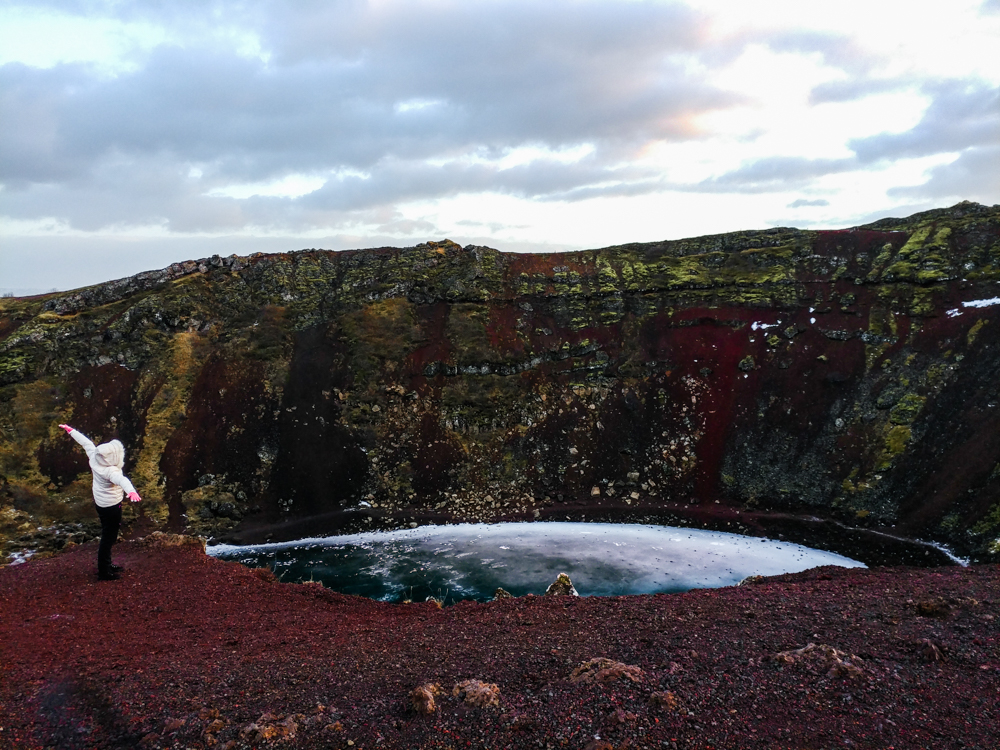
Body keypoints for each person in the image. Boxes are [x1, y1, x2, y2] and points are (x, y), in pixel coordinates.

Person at [59, 424, 141, 581]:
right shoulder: (110, 471)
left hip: (100, 502)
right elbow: (122, 480)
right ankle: (104, 571)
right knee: (108, 537)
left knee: (107, 535)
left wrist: (71, 431)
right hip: (111, 505)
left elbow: (86, 443)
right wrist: (131, 491)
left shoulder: (95, 458)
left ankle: (107, 565)